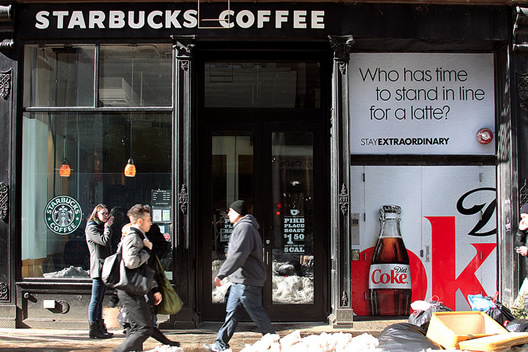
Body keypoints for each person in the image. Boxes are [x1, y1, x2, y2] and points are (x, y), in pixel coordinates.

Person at [205, 200, 275, 352]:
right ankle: (220, 345)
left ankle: (274, 341)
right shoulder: (243, 227)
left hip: (247, 279)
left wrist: (222, 273)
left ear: (238, 213)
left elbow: (239, 255)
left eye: (230, 211)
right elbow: (239, 253)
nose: (228, 214)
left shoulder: (244, 228)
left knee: (256, 312)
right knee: (232, 312)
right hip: (240, 279)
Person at [114, 204, 179, 352]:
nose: (151, 222)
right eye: (148, 219)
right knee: (143, 328)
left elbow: (145, 269)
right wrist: (148, 250)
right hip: (132, 289)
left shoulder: (139, 236)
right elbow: (131, 262)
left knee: (140, 327)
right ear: (139, 222)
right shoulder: (134, 237)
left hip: (135, 287)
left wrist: (154, 288)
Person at [86, 204, 114, 339]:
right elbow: (104, 241)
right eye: (103, 213)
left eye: (107, 213)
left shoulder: (99, 227)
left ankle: (100, 327)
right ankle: (93, 329)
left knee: (100, 299)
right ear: (96, 214)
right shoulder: (92, 228)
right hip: (98, 268)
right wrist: (108, 227)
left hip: (104, 268)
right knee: (95, 299)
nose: (106, 215)